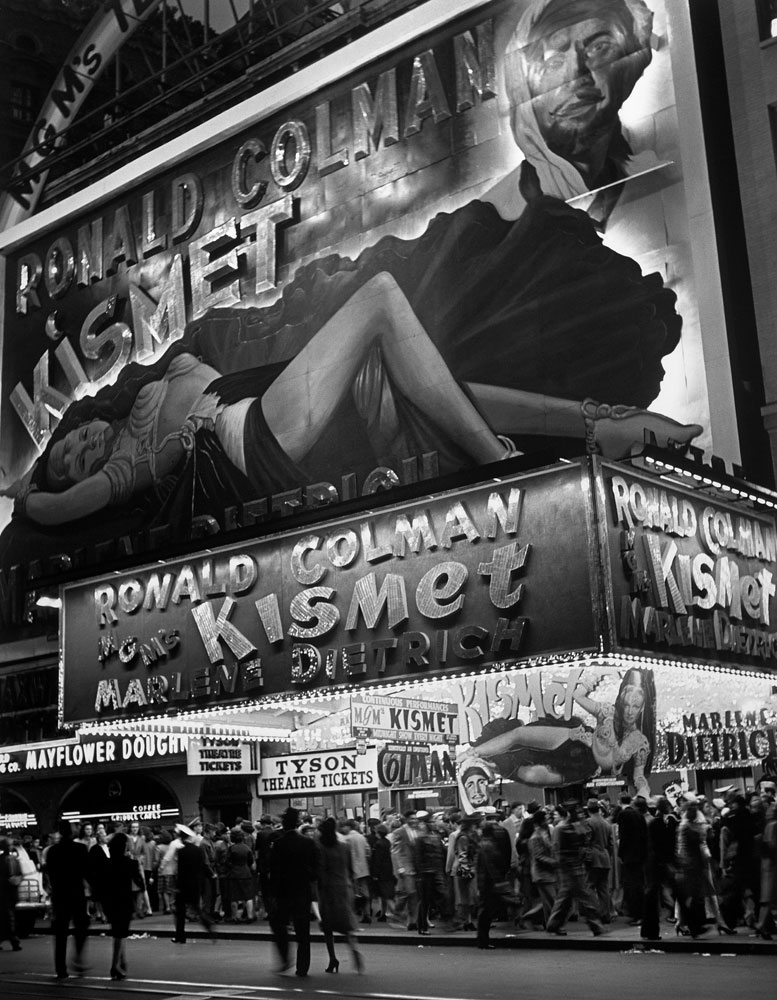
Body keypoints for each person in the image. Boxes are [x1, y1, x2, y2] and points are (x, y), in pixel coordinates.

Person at [501, 0, 655, 219]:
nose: (576, 74)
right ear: (523, 90)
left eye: (598, 48)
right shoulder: (484, 222)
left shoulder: (659, 176)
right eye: (553, 61)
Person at [462, 667, 655, 795]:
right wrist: (598, 673)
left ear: (642, 708)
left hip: (585, 766)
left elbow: (638, 775)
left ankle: (491, 764)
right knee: (519, 734)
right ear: (621, 700)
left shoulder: (639, 742)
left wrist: (644, 793)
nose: (630, 711)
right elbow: (578, 696)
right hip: (577, 737)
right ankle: (472, 753)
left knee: (528, 775)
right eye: (627, 704)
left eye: (635, 707)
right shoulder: (606, 712)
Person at [268, 807, 318, 977]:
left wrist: (273, 893)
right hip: (302, 891)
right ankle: (302, 967)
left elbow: (274, 871)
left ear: (284, 824)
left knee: (278, 923)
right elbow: (316, 869)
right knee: (303, 930)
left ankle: (285, 957)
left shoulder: (279, 844)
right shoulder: (308, 843)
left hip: (284, 891)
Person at [545, 801, 604, 937]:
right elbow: (557, 850)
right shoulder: (561, 829)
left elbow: (586, 838)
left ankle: (554, 924)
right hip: (568, 867)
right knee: (583, 897)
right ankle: (595, 925)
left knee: (566, 898)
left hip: (574, 865)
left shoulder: (572, 827)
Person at [44, 819, 91, 979]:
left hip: (60, 895)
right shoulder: (80, 849)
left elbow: (49, 872)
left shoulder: (52, 851)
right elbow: (87, 871)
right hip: (76, 894)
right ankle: (77, 956)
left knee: (61, 932)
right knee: (82, 925)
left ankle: (60, 967)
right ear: (71, 832)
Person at [316, 816, 363, 973]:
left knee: (328, 926)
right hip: (344, 887)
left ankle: (332, 958)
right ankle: (354, 949)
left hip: (328, 889)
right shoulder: (344, 846)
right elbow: (350, 869)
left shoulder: (321, 847)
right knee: (346, 922)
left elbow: (320, 871)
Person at [103, 833, 138, 980]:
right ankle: (114, 965)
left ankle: (121, 961)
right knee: (121, 933)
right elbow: (139, 881)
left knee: (118, 932)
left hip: (110, 901)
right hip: (124, 900)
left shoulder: (107, 863)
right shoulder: (130, 863)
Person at [171, 824, 213, 944]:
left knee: (180, 912)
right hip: (196, 884)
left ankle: (180, 936)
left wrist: (177, 886)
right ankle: (208, 926)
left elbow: (181, 871)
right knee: (196, 908)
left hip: (184, 886)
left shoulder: (182, 852)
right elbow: (202, 866)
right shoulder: (198, 850)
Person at [582, 797, 614, 923]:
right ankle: (606, 914)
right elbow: (611, 844)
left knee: (589, 887)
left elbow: (586, 841)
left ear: (588, 810)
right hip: (605, 857)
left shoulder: (588, 822)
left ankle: (593, 913)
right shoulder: (607, 823)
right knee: (603, 889)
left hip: (593, 858)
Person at [389, 810, 420, 930]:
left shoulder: (418, 831)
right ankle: (396, 914)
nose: (414, 821)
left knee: (414, 895)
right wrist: (400, 867)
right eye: (412, 818)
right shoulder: (399, 832)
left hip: (416, 867)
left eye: (415, 818)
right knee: (408, 893)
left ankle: (413, 921)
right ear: (406, 819)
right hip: (405, 868)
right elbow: (395, 852)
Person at [527, 808, 557, 927]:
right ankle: (551, 924)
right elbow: (539, 856)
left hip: (547, 873)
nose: (548, 821)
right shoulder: (536, 837)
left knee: (548, 901)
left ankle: (548, 923)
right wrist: (554, 862)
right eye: (545, 819)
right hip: (542, 873)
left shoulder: (543, 833)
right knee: (550, 901)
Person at [225, 827, 255, 923]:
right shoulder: (247, 848)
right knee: (248, 896)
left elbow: (227, 862)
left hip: (234, 874)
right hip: (246, 873)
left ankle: (235, 917)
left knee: (234, 897)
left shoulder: (231, 849)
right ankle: (250, 916)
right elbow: (250, 861)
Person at [0, 837, 22, 952]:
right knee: (9, 918)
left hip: (9, 892)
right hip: (6, 892)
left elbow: (19, 874)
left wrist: (16, 880)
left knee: (7, 917)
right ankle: (14, 941)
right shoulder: (9, 859)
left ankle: (11, 939)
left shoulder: (12, 859)